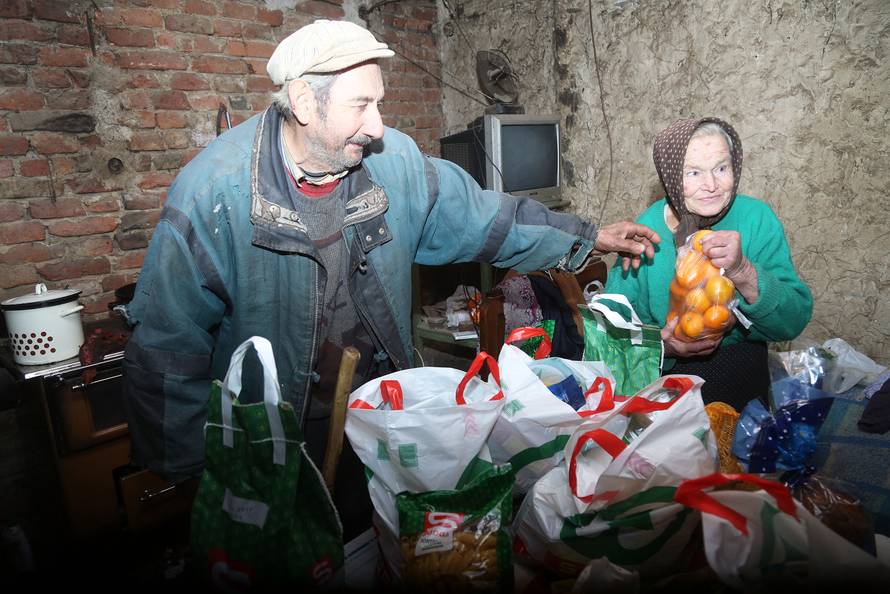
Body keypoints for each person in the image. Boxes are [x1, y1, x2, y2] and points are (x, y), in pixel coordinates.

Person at [120, 19, 660, 538]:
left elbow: (485, 217)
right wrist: (200, 475)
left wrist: (585, 238)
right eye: (362, 104)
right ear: (306, 103)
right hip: (278, 437)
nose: (378, 125)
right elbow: (168, 346)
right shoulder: (214, 194)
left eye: (378, 102)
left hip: (380, 415)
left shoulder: (391, 161)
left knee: (372, 543)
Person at [604, 117, 812, 411]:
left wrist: (743, 271)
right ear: (671, 175)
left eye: (721, 168)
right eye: (693, 173)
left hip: (740, 373)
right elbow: (611, 332)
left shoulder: (756, 219)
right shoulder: (646, 231)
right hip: (664, 380)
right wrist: (663, 345)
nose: (711, 185)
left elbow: (793, 321)